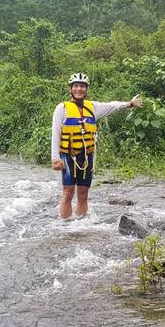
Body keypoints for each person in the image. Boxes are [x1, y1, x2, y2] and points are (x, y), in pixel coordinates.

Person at [51, 72, 142, 221]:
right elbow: (55, 133)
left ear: (86, 89)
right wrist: (55, 158)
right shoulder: (62, 108)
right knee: (68, 192)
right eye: (76, 86)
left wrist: (130, 104)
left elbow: (112, 106)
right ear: (70, 89)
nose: (79, 89)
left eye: (82, 86)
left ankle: (80, 224)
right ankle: (65, 225)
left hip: (87, 157)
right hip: (68, 156)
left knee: (83, 193)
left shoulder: (92, 107)